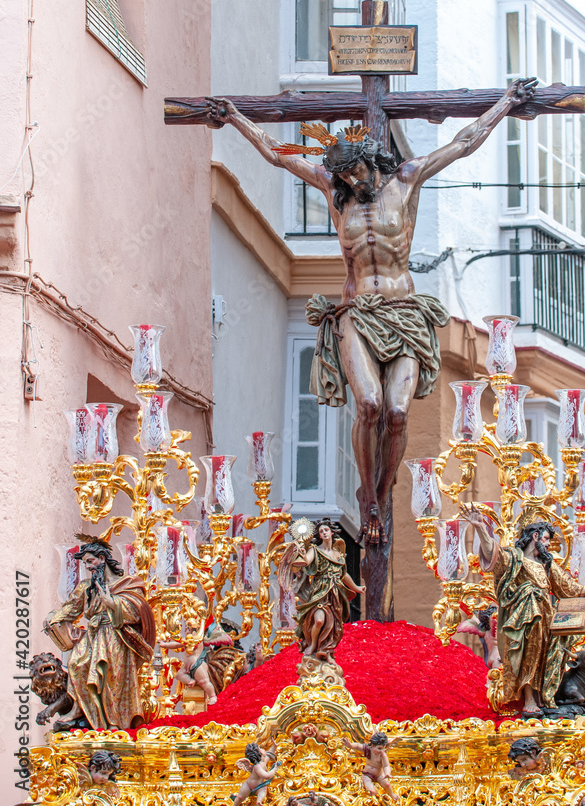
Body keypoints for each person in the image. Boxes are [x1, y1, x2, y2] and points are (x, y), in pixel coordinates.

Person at [215, 79, 537, 546]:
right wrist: (237, 118)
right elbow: (276, 153)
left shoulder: (406, 180)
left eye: (355, 173)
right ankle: (367, 496)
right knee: (368, 405)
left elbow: (463, 144)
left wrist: (506, 103)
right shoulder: (334, 190)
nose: (350, 182)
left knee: (398, 413)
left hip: (404, 312)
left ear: (371, 160)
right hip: (356, 314)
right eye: (343, 177)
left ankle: (381, 497)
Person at [461, 509, 585, 716]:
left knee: (546, 656)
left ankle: (544, 695)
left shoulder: (546, 564)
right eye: (546, 539)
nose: (548, 544)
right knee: (527, 655)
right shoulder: (514, 559)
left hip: (546, 618)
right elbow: (492, 554)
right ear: (535, 537)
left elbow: (566, 584)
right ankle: (528, 697)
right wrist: (480, 528)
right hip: (524, 619)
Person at [43, 534, 156, 730]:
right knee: (77, 665)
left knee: (110, 677)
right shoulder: (87, 587)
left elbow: (139, 612)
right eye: (86, 563)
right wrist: (54, 617)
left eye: (90, 561)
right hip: (94, 634)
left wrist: (113, 603)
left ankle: (113, 722)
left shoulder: (126, 583)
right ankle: (79, 710)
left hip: (116, 636)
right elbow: (71, 608)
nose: (88, 567)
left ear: (102, 559)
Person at [279, 519, 365, 663]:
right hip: (319, 591)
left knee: (333, 626)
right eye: (321, 531)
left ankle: (327, 651)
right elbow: (305, 562)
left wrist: (356, 588)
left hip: (334, 593)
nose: (324, 533)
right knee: (319, 621)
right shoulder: (315, 550)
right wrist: (300, 552)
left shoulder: (338, 554)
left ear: (332, 532)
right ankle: (313, 644)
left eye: (326, 530)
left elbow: (343, 575)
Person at [343, 732, 398, 801]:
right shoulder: (368, 749)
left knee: (387, 784)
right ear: (372, 745)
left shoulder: (382, 755)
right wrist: (350, 745)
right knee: (367, 781)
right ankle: (372, 791)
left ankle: (392, 794)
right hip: (367, 774)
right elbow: (357, 746)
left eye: (383, 748)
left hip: (379, 775)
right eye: (379, 748)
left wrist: (387, 773)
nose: (381, 751)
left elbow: (386, 765)